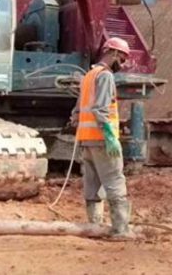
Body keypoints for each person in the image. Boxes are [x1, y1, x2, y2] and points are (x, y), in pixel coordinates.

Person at [70, 37, 133, 239]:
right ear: (113, 53)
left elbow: (77, 112)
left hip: (86, 140)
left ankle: (94, 226)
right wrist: (110, 137)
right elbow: (100, 109)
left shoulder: (89, 75)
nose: (122, 64)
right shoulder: (105, 76)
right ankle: (121, 229)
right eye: (122, 59)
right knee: (114, 181)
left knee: (93, 184)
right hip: (102, 140)